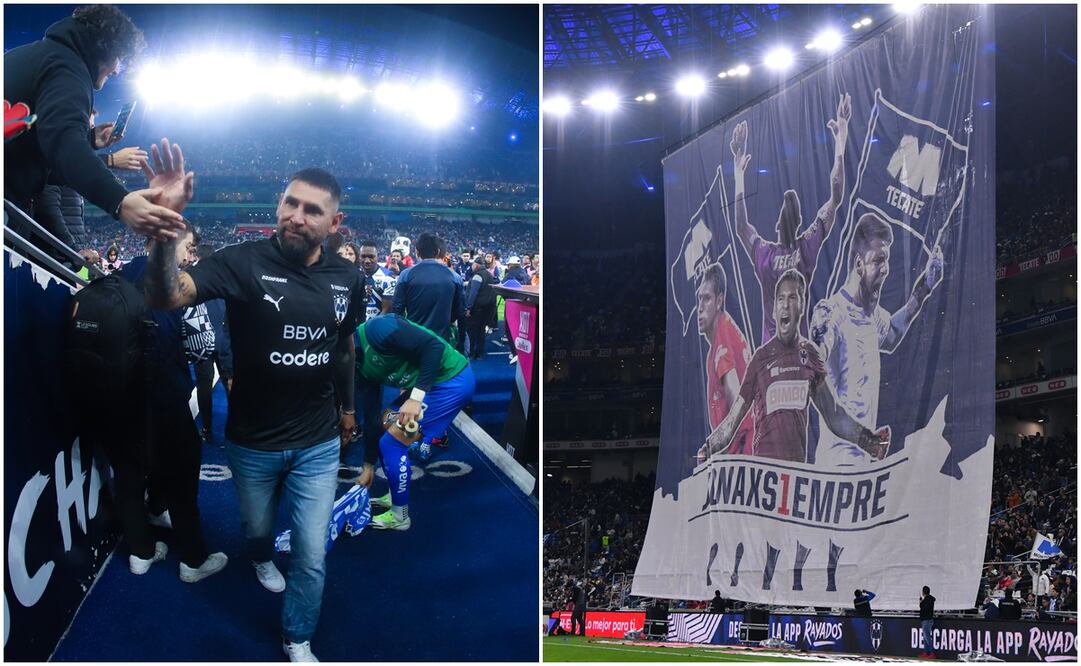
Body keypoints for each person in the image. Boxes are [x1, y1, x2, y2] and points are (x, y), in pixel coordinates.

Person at [144, 166, 366, 662]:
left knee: (310, 553)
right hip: (251, 441)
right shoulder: (242, 262)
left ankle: (297, 636)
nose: (296, 217)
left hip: (319, 441)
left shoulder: (348, 278)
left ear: (335, 222)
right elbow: (165, 295)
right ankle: (262, 559)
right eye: (290, 203)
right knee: (258, 530)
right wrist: (164, 231)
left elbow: (344, 348)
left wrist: (348, 408)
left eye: (312, 210)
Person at [4, 5, 187, 244]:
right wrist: (120, 200)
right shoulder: (68, 69)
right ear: (108, 48)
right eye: (119, 60)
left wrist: (89, 140)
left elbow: (34, 150)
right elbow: (63, 146)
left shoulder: (21, 57)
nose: (116, 70)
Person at [117, 220, 228, 583]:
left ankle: (140, 552)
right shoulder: (179, 283)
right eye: (189, 246)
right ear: (171, 241)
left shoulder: (121, 273)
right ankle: (194, 559)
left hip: (122, 397)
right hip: (166, 397)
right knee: (182, 474)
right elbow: (203, 348)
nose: (191, 254)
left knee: (131, 474)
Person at [697, 270, 889, 464]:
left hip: (796, 476)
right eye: (780, 299)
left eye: (792, 298)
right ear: (774, 310)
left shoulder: (810, 355)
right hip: (764, 477)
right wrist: (708, 449)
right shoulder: (761, 358)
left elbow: (834, 415)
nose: (786, 305)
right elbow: (733, 421)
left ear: (802, 306)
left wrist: (868, 442)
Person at [810, 213, 943, 467]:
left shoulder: (872, 317)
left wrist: (924, 288)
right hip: (837, 462)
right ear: (859, 264)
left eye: (887, 260)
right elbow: (815, 377)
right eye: (878, 261)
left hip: (864, 462)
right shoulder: (831, 313)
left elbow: (892, 334)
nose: (885, 269)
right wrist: (864, 439)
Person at [728, 94, 850, 343]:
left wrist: (841, 142)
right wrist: (738, 173)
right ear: (778, 222)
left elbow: (835, 196)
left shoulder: (805, 246)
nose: (788, 203)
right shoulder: (766, 252)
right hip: (771, 356)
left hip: (800, 353)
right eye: (786, 204)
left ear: (796, 222)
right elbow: (741, 225)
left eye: (791, 206)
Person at [352, 314, 476, 528]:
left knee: (392, 444)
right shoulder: (356, 365)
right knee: (384, 424)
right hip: (431, 386)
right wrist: (368, 465)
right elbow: (372, 418)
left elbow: (434, 347)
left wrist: (415, 398)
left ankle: (400, 517)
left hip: (449, 383)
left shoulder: (379, 328)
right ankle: (394, 495)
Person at [697, 262, 754, 457]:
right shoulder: (723, 335)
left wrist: (713, 446)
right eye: (699, 299)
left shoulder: (723, 339)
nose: (700, 307)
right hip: (741, 450)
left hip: (743, 452)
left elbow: (736, 397)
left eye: (707, 299)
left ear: (719, 301)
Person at [392, 231, 464, 342]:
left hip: (414, 339)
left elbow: (397, 310)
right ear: (438, 252)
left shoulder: (406, 275)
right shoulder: (454, 277)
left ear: (417, 252)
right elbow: (459, 311)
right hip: (442, 340)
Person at [463, 256, 497, 360]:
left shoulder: (478, 276)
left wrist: (468, 308)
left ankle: (471, 353)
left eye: (473, 264)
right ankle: (480, 354)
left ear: (476, 265)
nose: (471, 266)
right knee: (481, 332)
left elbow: (473, 293)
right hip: (487, 309)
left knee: (472, 332)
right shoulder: (489, 275)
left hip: (476, 309)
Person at [357, 239, 396, 320]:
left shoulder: (388, 277)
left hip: (377, 327)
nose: (367, 261)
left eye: (371, 257)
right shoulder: (355, 275)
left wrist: (371, 328)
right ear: (359, 257)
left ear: (377, 256)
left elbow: (386, 310)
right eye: (363, 256)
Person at [919, 585, 936, 659]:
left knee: (927, 637)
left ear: (923, 592)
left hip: (926, 620)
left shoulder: (926, 600)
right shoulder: (930, 599)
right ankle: (926, 652)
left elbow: (924, 609)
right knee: (925, 637)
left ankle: (931, 653)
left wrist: (921, 602)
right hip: (928, 620)